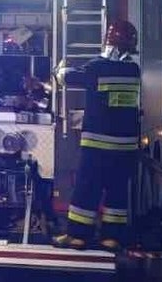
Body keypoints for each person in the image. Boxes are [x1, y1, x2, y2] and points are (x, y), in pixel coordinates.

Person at [52, 20, 142, 252]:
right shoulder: (133, 71)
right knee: (117, 192)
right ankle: (111, 238)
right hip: (125, 149)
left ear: (108, 43)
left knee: (86, 189)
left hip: (97, 145)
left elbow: (67, 78)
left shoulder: (96, 68)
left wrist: (58, 69)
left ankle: (78, 236)